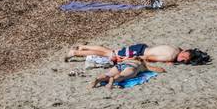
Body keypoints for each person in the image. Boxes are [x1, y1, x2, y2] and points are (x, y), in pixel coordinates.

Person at [66, 43, 206, 65]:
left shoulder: (177, 48)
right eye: (184, 58)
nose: (181, 59)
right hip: (139, 52)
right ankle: (76, 52)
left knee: (109, 50)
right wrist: (128, 59)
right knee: (108, 53)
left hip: (141, 46)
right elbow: (147, 58)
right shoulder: (170, 57)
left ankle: (82, 46)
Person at [91, 58, 166, 89]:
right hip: (131, 67)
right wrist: (161, 69)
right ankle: (112, 81)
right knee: (122, 76)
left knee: (108, 74)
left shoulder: (127, 59)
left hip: (120, 65)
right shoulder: (142, 64)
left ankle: (98, 79)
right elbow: (159, 70)